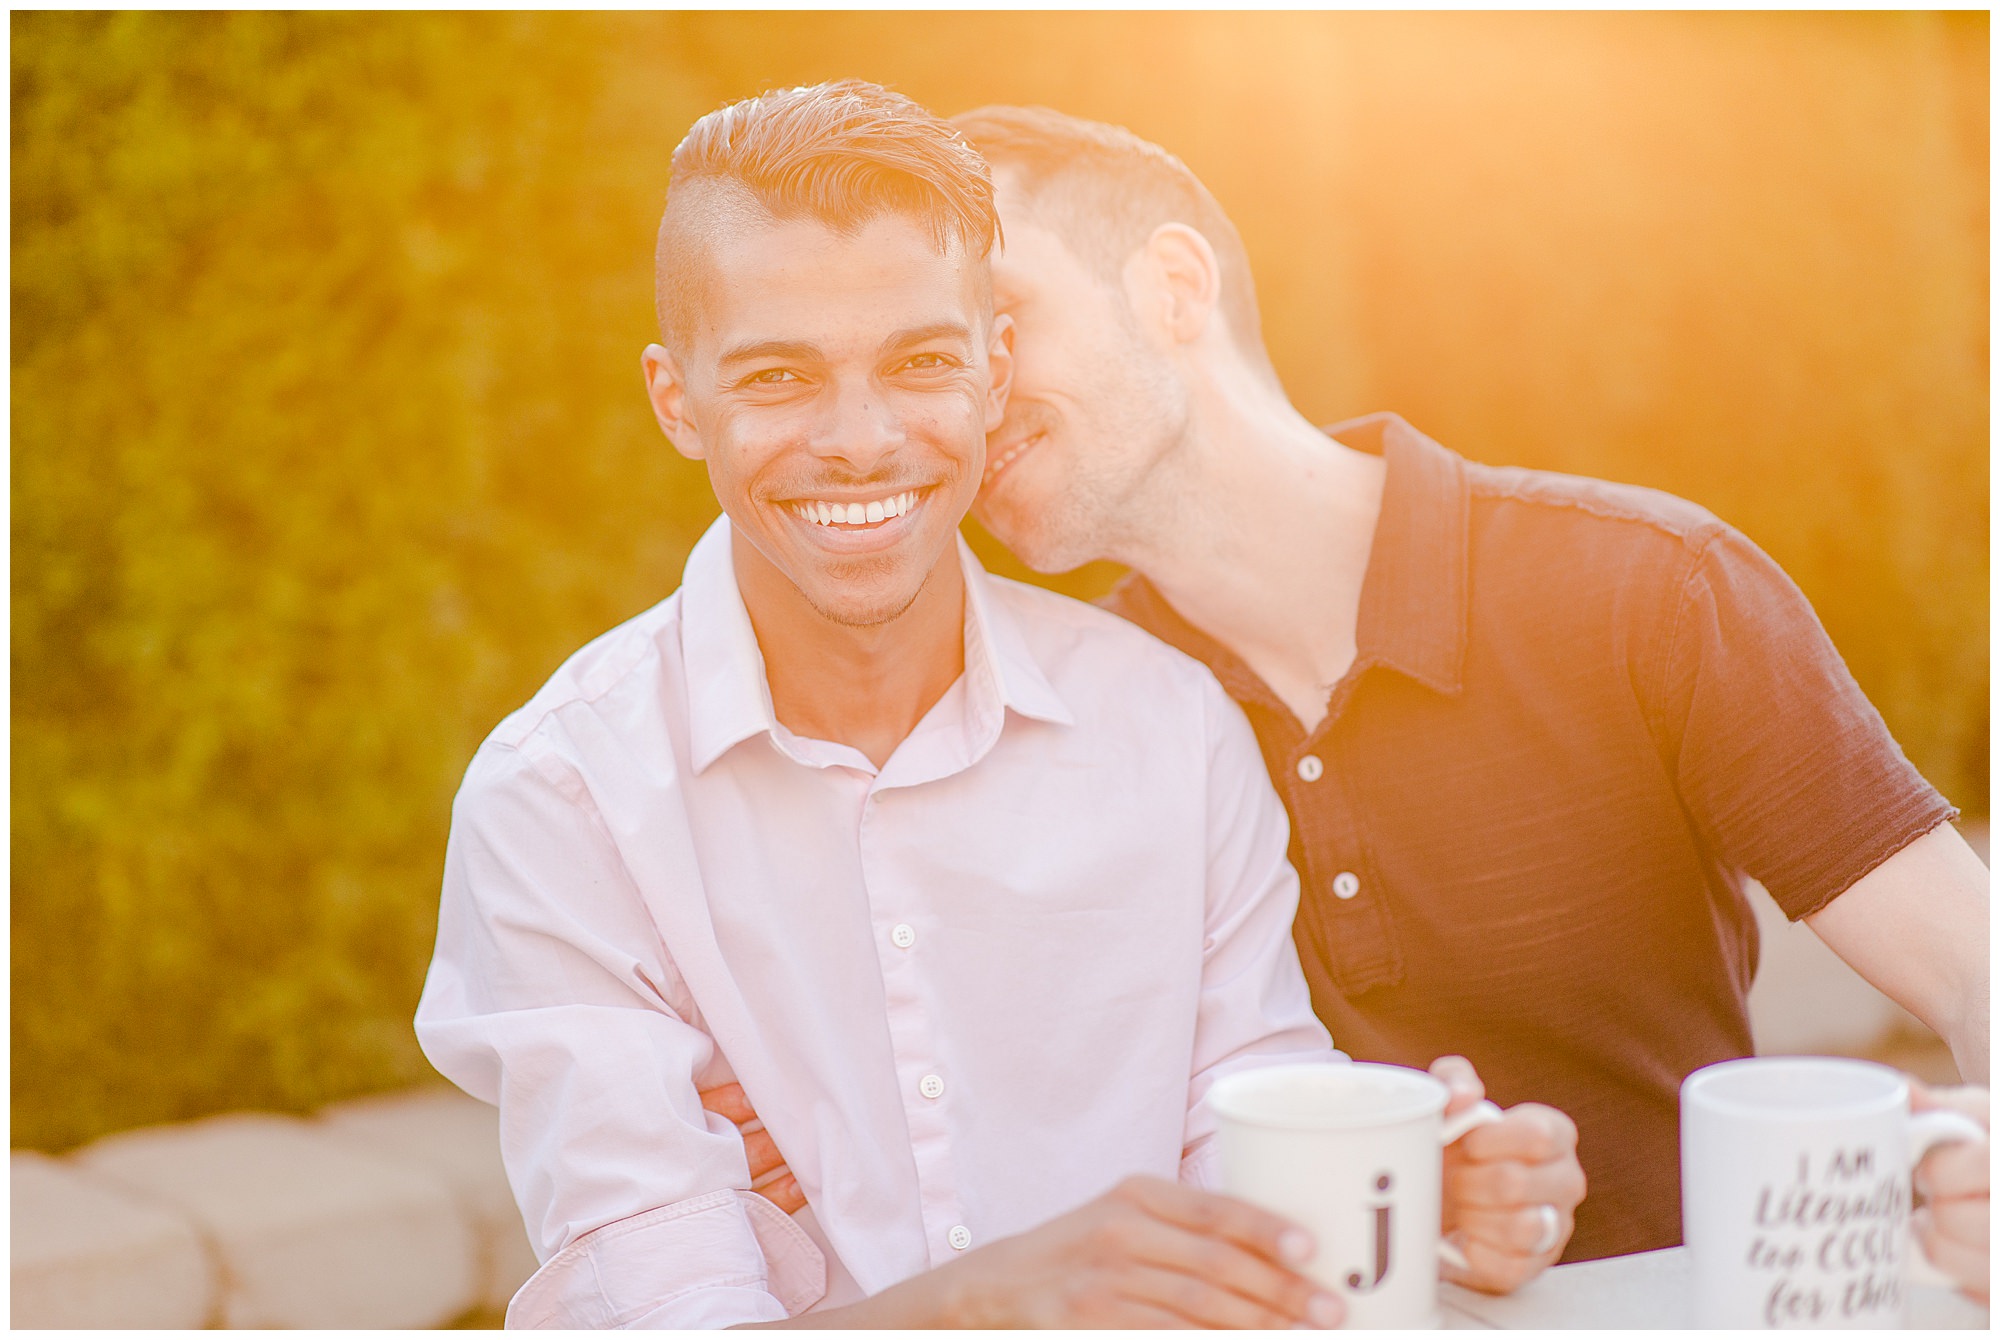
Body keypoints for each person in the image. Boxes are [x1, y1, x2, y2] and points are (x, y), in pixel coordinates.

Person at [414, 81, 1585, 1329]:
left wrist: (1413, 1203)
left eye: (919, 362)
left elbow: (1249, 1163)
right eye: (777, 376)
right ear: (675, 400)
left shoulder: (1169, 731)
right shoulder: (562, 801)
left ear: (993, 372)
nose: (859, 439)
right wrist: (1004, 1298)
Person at [940, 102, 1991, 1270]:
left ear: (1172, 290)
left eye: (999, 323)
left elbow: (1971, 964)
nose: (954, 403)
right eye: (928, 360)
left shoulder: (1649, 590)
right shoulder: (1055, 723)